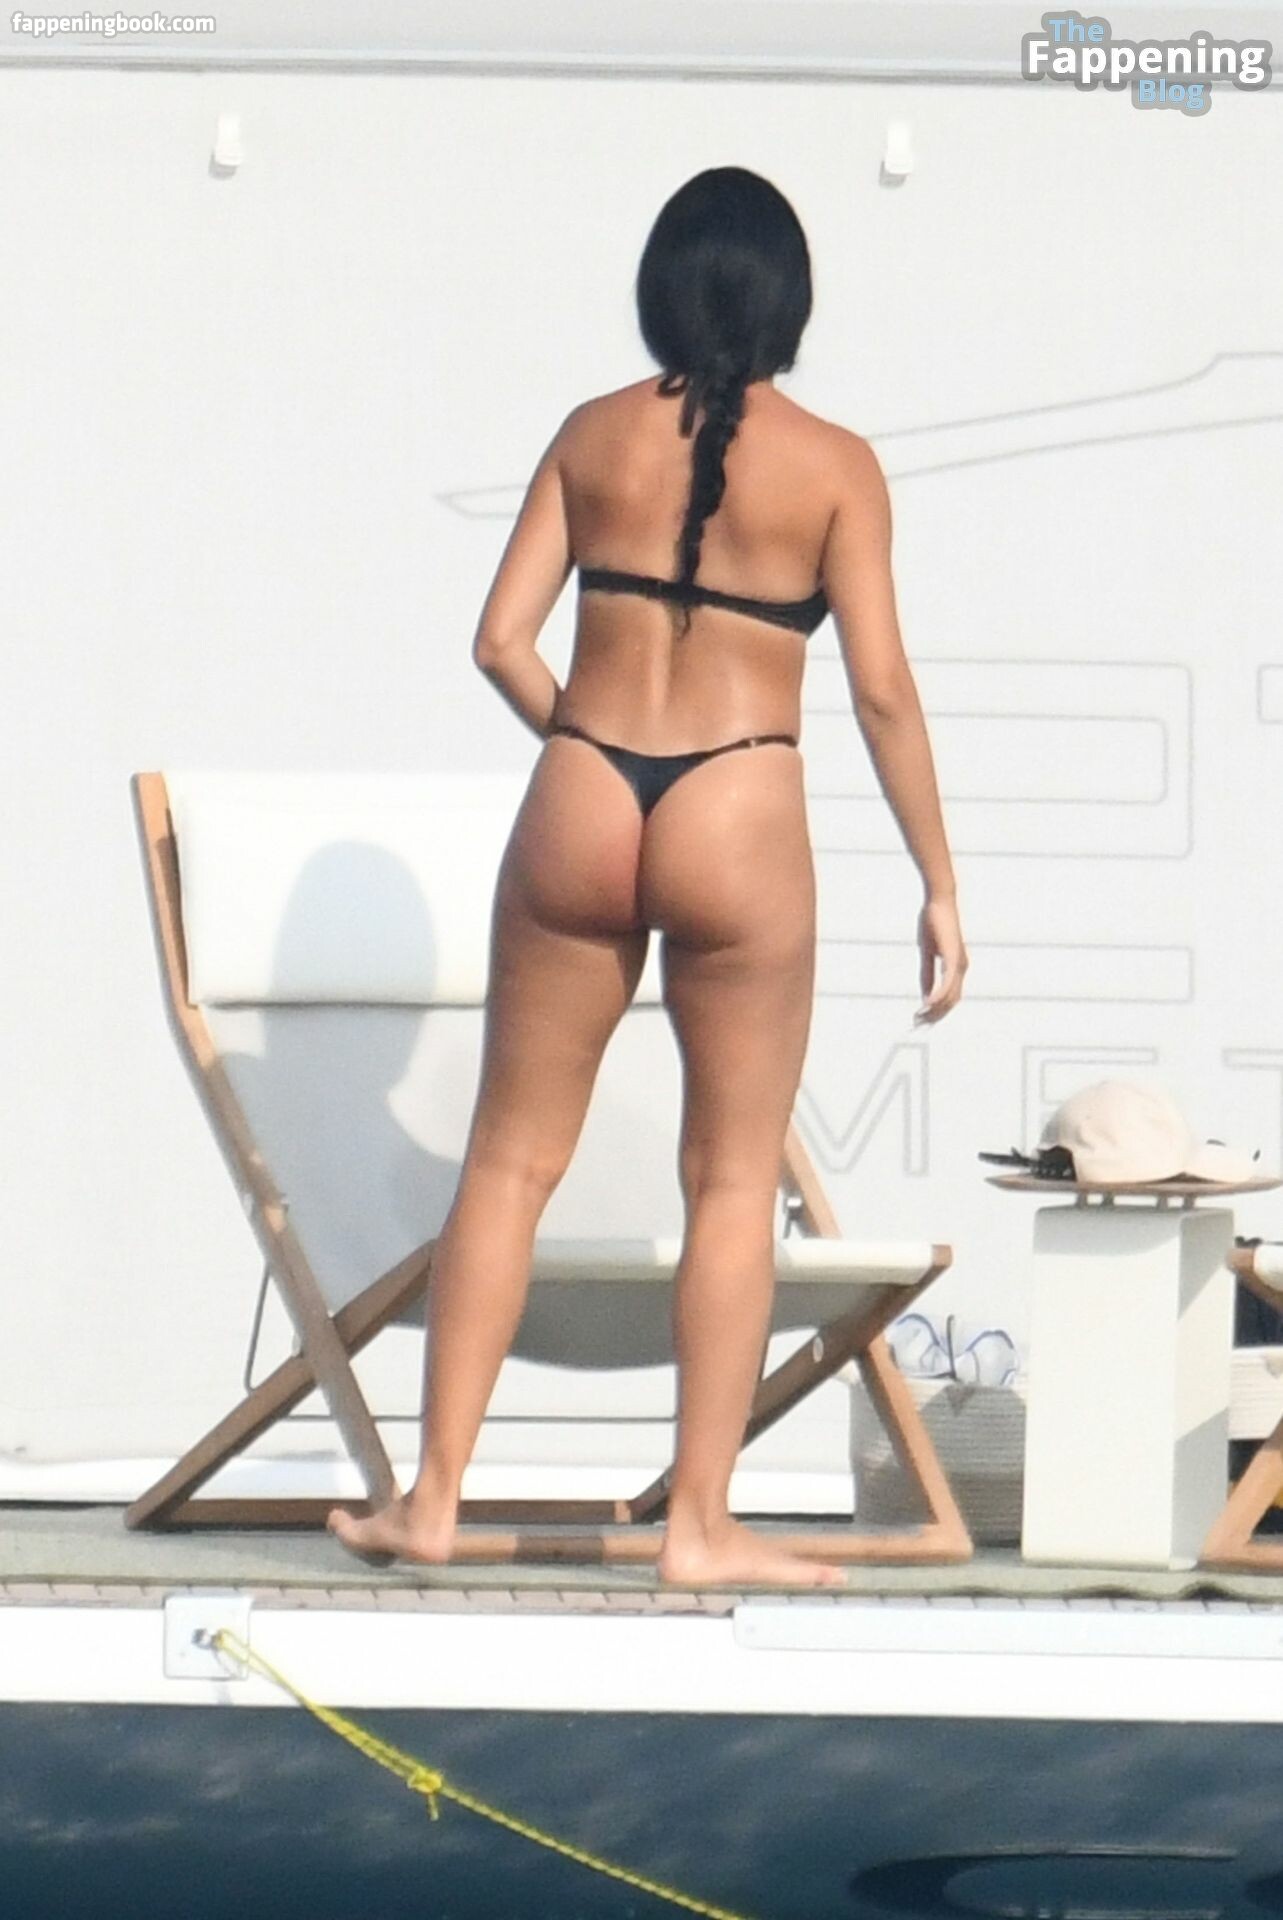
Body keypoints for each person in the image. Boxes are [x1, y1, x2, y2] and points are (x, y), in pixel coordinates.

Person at [328, 165, 967, 1588]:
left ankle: (431, 1501)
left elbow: (498, 640)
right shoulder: (837, 467)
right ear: (790, 303)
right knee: (731, 1179)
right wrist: (937, 880)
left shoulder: (591, 434)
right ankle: (700, 1526)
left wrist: (583, 741)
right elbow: (879, 691)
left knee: (509, 1160)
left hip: (584, 787)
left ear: (660, 291)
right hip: (740, 799)